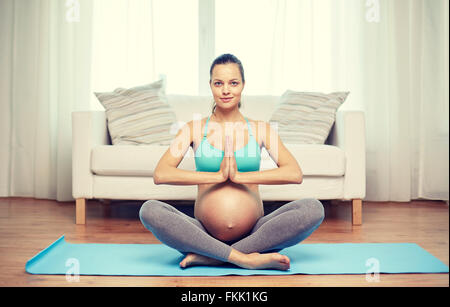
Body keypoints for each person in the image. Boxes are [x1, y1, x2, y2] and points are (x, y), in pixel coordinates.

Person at [139, 54, 324, 270]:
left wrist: (240, 177)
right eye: (219, 83)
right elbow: (161, 174)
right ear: (211, 86)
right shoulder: (193, 129)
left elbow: (294, 173)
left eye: (233, 83)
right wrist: (216, 176)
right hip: (202, 233)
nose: (226, 90)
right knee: (149, 210)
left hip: (256, 232)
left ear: (243, 85)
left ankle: (212, 256)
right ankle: (244, 258)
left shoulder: (261, 129)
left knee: (313, 208)